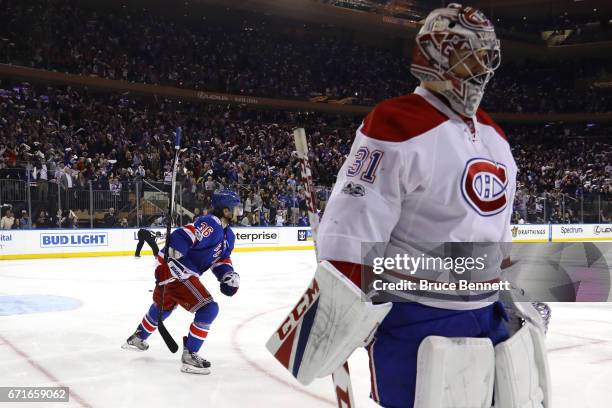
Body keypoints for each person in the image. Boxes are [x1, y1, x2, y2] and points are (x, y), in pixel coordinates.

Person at [290, 4, 547, 407]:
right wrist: (336, 312)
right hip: (417, 317)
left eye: (485, 57)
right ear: (435, 55)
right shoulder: (395, 123)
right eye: (469, 56)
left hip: (489, 314)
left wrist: (516, 293)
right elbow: (351, 228)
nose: (480, 69)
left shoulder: (495, 136)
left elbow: (498, 235)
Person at [122, 189, 242, 375]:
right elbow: (187, 233)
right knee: (208, 309)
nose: (239, 212)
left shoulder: (229, 235)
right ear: (226, 211)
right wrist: (175, 248)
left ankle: (138, 337)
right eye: (236, 208)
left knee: (165, 306)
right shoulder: (212, 223)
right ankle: (190, 356)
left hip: (179, 272)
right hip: (176, 270)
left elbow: (220, 259)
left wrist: (227, 275)